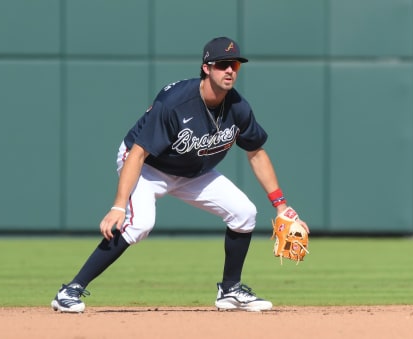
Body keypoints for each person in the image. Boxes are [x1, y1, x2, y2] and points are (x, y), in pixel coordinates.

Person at [51, 36, 309, 313]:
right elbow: (137, 154)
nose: (230, 70)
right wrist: (118, 205)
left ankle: (230, 290)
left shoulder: (238, 107)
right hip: (147, 167)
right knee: (139, 225)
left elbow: (256, 153)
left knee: (244, 212)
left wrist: (281, 206)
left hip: (194, 171)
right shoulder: (174, 103)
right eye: (222, 64)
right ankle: (70, 290)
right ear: (206, 68)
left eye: (234, 64)